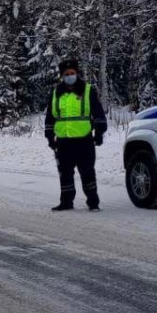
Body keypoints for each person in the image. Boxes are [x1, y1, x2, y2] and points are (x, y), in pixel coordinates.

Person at [44, 59, 106, 211]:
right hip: (63, 141)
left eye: (72, 73)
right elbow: (50, 117)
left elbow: (98, 113)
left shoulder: (88, 90)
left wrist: (99, 132)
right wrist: (49, 136)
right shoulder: (55, 93)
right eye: (67, 74)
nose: (70, 76)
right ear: (62, 76)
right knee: (65, 173)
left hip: (84, 139)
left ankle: (93, 203)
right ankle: (66, 202)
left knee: (87, 172)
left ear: (77, 74)